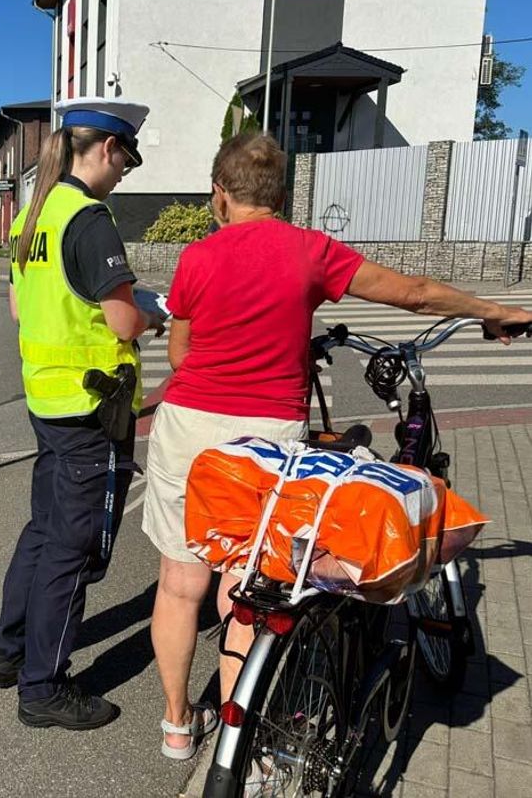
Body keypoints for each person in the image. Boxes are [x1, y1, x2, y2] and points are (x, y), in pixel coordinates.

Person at [143, 131, 532, 760]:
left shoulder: (197, 258)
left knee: (180, 582)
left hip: (187, 423)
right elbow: (414, 293)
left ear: (220, 194)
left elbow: (182, 352)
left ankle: (177, 726)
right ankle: (246, 746)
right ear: (283, 194)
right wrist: (493, 309)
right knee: (249, 589)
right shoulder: (310, 250)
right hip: (264, 437)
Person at [0, 97, 165, 731]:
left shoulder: (33, 215)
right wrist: (152, 316)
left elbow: (20, 309)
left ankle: (7, 651)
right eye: (126, 162)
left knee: (42, 530)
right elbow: (120, 319)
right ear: (108, 149)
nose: (123, 176)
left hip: (46, 401)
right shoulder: (90, 219)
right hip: (91, 409)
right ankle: (43, 686)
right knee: (73, 546)